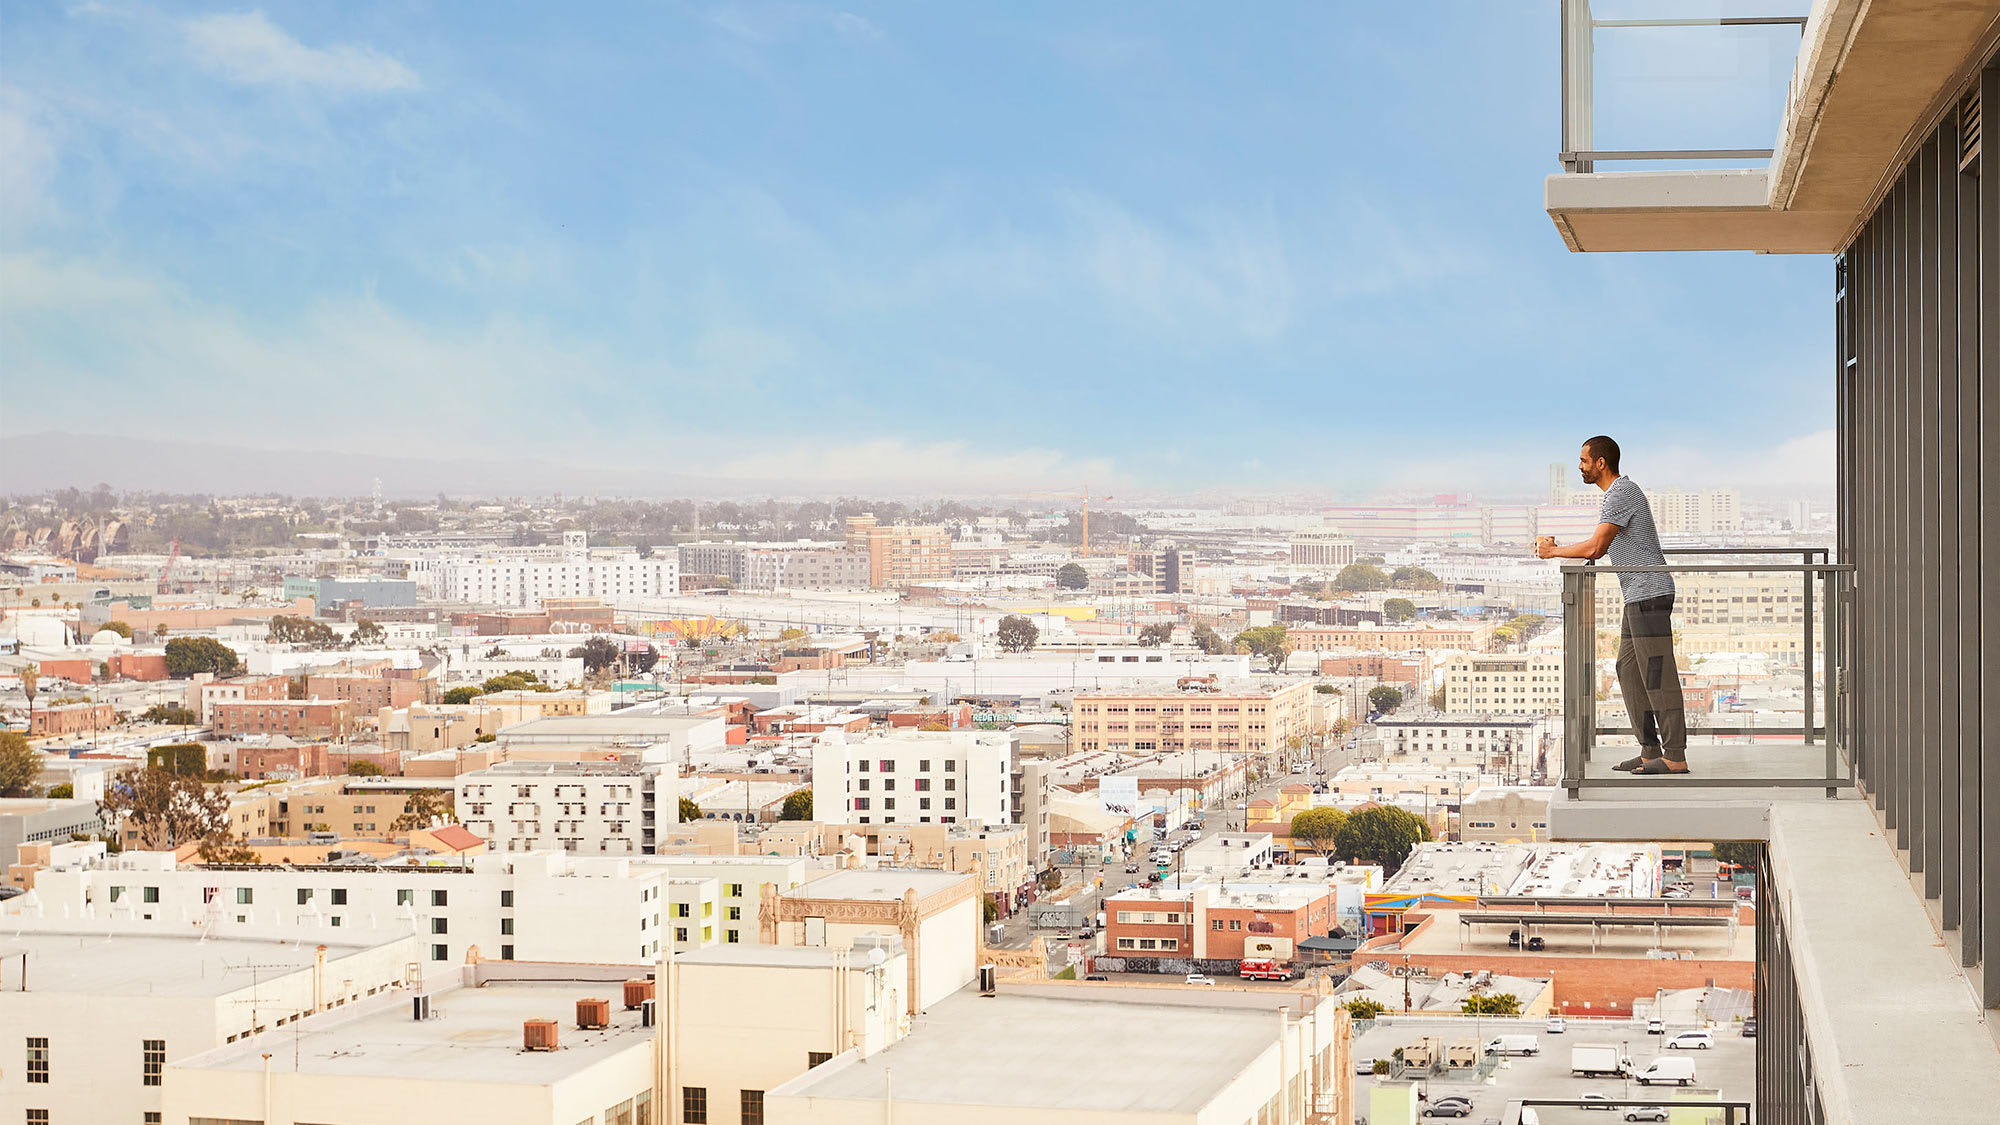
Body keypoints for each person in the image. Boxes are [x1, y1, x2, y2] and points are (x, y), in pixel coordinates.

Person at [1536, 435, 1689, 775]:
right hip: (1637, 594)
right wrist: (1560, 547)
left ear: (1600, 463)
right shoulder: (1616, 495)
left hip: (1649, 593)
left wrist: (1552, 552)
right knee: (1628, 670)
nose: (1580, 467)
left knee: (1657, 676)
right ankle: (1650, 751)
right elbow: (1597, 542)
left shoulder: (1621, 493)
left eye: (1584, 461)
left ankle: (1675, 756)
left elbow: (1595, 549)